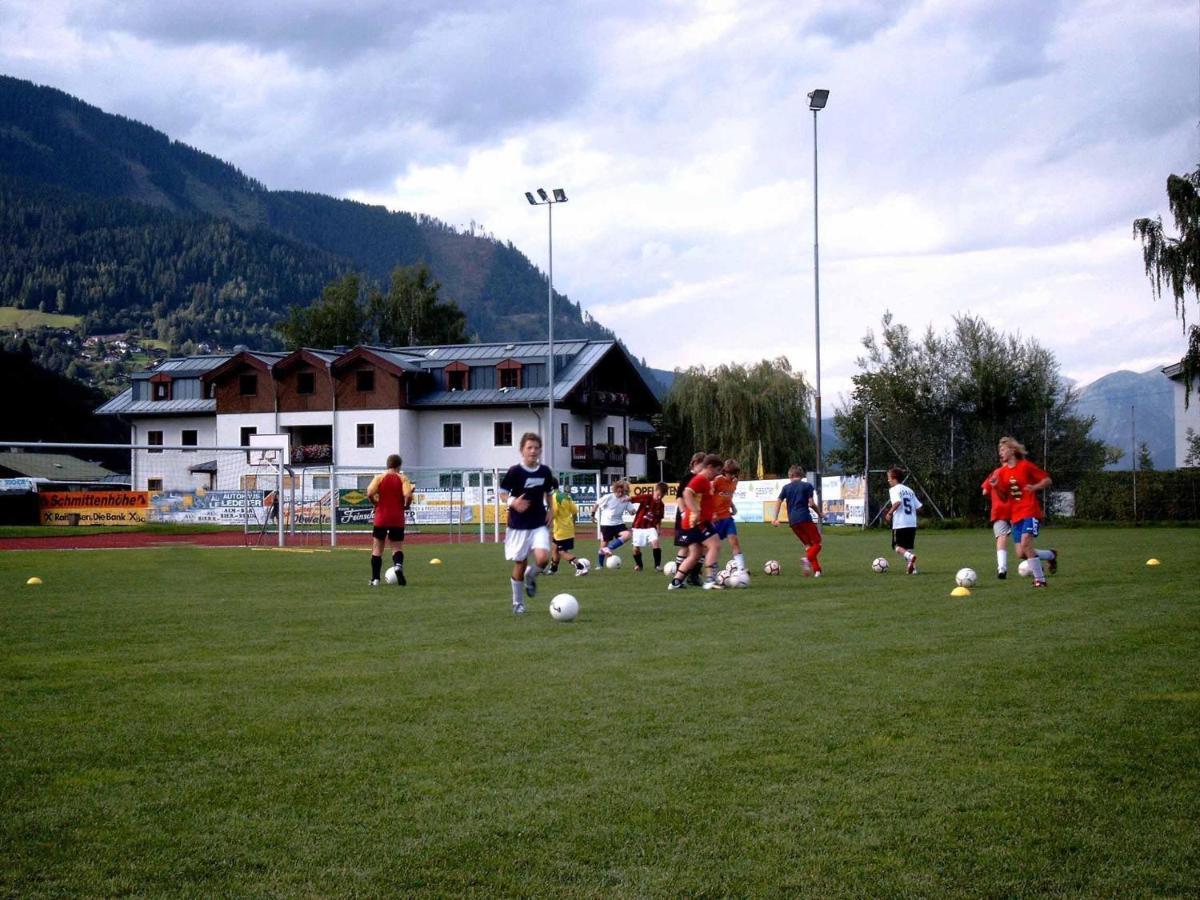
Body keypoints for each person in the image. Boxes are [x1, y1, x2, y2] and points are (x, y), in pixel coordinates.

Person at [983, 440, 1058, 580]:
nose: (1000, 453)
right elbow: (1004, 497)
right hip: (1015, 516)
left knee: (1026, 543)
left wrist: (1034, 487)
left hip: (1030, 511)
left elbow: (1047, 480)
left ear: (1012, 450)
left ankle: (1040, 580)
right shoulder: (1003, 473)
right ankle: (1050, 555)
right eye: (1000, 451)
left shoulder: (1025, 466)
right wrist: (996, 486)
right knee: (1021, 553)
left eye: (1003, 450)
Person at [498, 432, 554, 614]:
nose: (533, 451)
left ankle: (532, 575)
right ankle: (518, 603)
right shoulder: (515, 471)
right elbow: (503, 493)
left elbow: (549, 493)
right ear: (522, 450)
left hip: (538, 523)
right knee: (520, 564)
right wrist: (513, 502)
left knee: (543, 559)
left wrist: (551, 510)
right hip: (518, 525)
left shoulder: (545, 471)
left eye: (536, 448)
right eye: (529, 447)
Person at [667, 453, 724, 590]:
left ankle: (675, 582)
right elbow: (686, 493)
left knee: (695, 553)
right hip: (697, 522)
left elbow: (703, 501)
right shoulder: (701, 479)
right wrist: (696, 512)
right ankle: (710, 579)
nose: (717, 475)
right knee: (714, 545)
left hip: (696, 522)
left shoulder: (704, 480)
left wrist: (711, 514)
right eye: (717, 471)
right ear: (710, 467)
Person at [366, 453, 415, 586]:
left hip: (381, 517)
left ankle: (375, 579)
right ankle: (398, 565)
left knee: (377, 549)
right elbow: (408, 495)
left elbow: (369, 492)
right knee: (397, 547)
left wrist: (374, 503)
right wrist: (406, 506)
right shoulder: (403, 478)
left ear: (387, 465)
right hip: (397, 518)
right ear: (399, 466)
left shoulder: (379, 477)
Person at [771, 464, 822, 576]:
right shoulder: (807, 486)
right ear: (801, 475)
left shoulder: (786, 488)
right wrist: (819, 513)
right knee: (817, 544)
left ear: (791, 475)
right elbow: (811, 503)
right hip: (804, 517)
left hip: (793, 521)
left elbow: (778, 502)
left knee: (809, 546)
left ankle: (817, 571)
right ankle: (807, 560)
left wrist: (775, 518)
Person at [671, 452, 707, 585]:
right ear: (694, 464)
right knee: (685, 547)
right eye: (702, 466)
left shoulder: (703, 479)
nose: (703, 469)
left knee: (703, 546)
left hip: (698, 518)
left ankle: (694, 575)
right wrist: (683, 513)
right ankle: (678, 576)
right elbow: (679, 496)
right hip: (686, 517)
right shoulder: (688, 478)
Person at [884, 466, 921, 574]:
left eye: (889, 477)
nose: (888, 480)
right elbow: (918, 507)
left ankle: (911, 557)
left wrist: (889, 513)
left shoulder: (894, 489)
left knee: (896, 546)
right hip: (912, 523)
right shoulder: (909, 490)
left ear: (894, 478)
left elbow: (897, 502)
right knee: (908, 547)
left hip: (900, 522)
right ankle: (913, 569)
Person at [712, 459, 746, 572]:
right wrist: (712, 512)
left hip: (727, 518)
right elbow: (709, 496)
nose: (733, 476)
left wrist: (733, 506)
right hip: (716, 520)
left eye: (735, 474)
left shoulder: (734, 482)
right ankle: (709, 569)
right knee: (712, 547)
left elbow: (727, 496)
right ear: (725, 471)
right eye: (731, 474)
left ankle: (741, 570)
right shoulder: (717, 481)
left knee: (735, 542)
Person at [547, 478, 586, 575]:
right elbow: (575, 511)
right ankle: (553, 569)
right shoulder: (565, 496)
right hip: (567, 528)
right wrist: (572, 523)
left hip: (561, 529)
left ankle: (580, 567)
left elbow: (553, 513)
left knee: (562, 551)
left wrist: (545, 524)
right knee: (555, 548)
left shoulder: (554, 497)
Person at [595, 480, 634, 568]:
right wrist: (592, 514)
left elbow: (631, 511)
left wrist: (633, 511)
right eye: (618, 491)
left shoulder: (626, 499)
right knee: (603, 545)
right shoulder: (608, 497)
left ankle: (610, 548)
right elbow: (597, 503)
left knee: (627, 535)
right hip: (606, 524)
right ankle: (599, 565)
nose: (620, 493)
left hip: (618, 523)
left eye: (622, 492)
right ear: (615, 490)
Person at [630, 482, 667, 571]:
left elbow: (659, 518)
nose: (659, 497)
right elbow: (632, 499)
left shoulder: (661, 505)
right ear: (655, 490)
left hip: (651, 527)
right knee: (635, 549)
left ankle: (657, 566)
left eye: (662, 496)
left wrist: (658, 529)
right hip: (638, 527)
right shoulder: (647, 497)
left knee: (655, 543)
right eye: (658, 494)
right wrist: (624, 499)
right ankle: (639, 565)